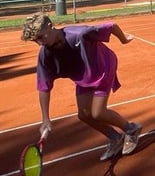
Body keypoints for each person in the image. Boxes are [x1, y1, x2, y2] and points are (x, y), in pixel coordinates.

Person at [21, 13, 143, 161]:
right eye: (35, 41)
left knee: (98, 113)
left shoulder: (79, 34)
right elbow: (43, 87)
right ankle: (115, 138)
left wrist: (124, 40)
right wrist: (45, 118)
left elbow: (111, 26)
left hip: (103, 67)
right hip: (84, 76)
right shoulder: (45, 55)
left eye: (41, 37)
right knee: (84, 115)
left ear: (50, 26)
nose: (40, 43)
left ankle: (131, 129)